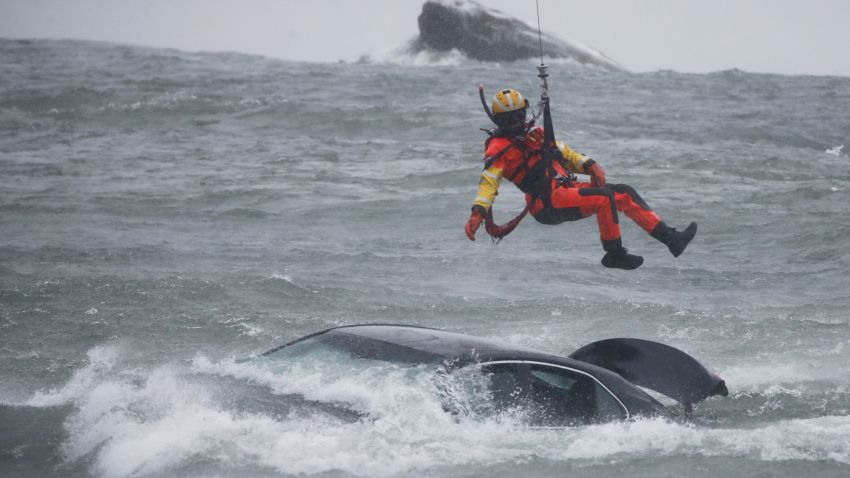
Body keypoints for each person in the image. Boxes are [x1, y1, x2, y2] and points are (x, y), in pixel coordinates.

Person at [464, 88, 697, 270]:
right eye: (509, 120)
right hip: (547, 204)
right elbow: (488, 183)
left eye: (519, 116)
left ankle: (671, 239)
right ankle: (614, 254)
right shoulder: (497, 149)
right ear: (499, 121)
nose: (516, 123)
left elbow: (565, 153)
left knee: (623, 194)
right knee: (604, 199)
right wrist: (478, 213)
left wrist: (590, 164)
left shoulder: (535, 134)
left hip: (566, 189)